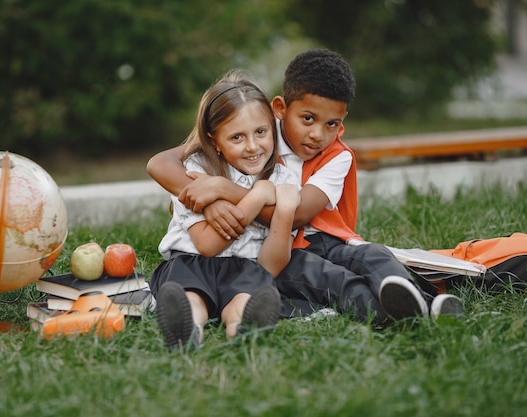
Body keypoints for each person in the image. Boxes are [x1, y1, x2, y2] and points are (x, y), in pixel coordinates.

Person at [147, 49, 464, 325]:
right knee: (336, 281)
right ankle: (400, 313)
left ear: (342, 122)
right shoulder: (255, 128)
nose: (317, 135)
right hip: (287, 250)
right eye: (308, 119)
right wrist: (209, 201)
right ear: (280, 111)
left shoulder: (335, 156)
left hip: (318, 238)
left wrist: (224, 191)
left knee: (374, 256)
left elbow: (296, 214)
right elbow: (162, 163)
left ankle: (421, 302)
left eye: (331, 124)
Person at [151, 69, 301, 351]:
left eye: (261, 132)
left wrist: (286, 209)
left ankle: (244, 329)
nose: (253, 146)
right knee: (189, 297)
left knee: (245, 298)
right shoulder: (196, 172)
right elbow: (207, 244)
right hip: (191, 262)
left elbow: (272, 264)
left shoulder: (283, 180)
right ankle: (187, 329)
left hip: (247, 267)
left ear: (272, 128)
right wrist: (257, 197)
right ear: (214, 140)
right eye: (237, 138)